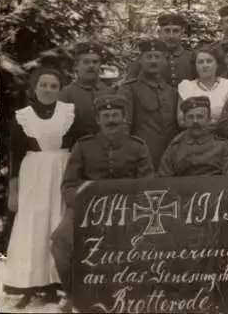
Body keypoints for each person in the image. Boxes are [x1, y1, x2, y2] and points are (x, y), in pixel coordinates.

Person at [51, 94, 155, 312]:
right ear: (98, 119)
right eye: (106, 115)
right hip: (88, 208)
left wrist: (130, 207)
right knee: (60, 240)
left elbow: (147, 184)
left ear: (124, 117)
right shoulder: (83, 146)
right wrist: (80, 203)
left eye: (115, 115)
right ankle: (73, 292)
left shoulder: (137, 146)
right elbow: (69, 184)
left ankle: (135, 291)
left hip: (128, 209)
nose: (111, 120)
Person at [4, 67, 75, 308]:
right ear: (34, 88)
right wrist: (13, 190)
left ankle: (56, 280)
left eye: (54, 86)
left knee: (58, 219)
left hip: (61, 170)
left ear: (60, 90)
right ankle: (32, 280)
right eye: (43, 85)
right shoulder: (22, 116)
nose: (48, 90)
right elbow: (14, 155)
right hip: (33, 174)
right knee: (34, 223)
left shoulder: (68, 113)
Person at [117, 38, 181, 169]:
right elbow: (123, 127)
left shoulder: (173, 92)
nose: (153, 61)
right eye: (148, 57)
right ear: (140, 60)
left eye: (157, 57)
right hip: (141, 159)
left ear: (165, 61)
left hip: (170, 160)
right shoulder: (129, 89)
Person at [158, 96, 228, 177]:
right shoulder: (174, 148)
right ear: (184, 121)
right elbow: (164, 180)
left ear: (209, 120)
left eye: (200, 116)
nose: (195, 121)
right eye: (190, 117)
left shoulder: (224, 147)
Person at [123, 14, 195, 87]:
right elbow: (129, 85)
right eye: (167, 31)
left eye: (175, 31)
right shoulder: (146, 58)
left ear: (182, 33)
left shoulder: (191, 57)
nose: (171, 36)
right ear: (159, 33)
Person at [177, 44, 228, 130]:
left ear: (217, 64)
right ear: (195, 66)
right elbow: (181, 121)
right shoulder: (187, 87)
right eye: (200, 62)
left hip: (225, 137)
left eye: (209, 61)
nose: (205, 65)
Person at [59, 42, 112, 139]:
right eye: (86, 62)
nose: (91, 66)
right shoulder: (66, 94)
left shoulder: (109, 92)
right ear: (76, 67)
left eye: (95, 62)